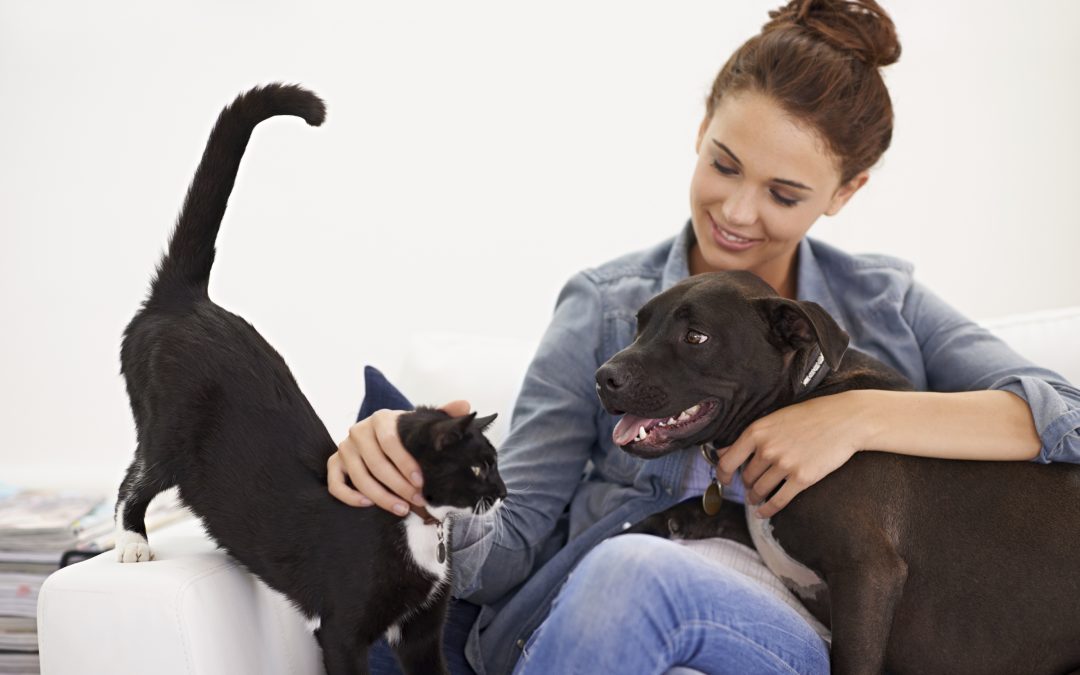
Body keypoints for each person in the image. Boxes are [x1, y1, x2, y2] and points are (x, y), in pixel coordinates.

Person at [328, 1, 1080, 673]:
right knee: (632, 572)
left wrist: (854, 415)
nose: (738, 212)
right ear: (701, 130)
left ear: (846, 192)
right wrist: (428, 485)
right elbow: (512, 544)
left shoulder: (885, 304)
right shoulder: (602, 307)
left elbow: (1068, 416)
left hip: (816, 639)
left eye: (785, 194)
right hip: (630, 608)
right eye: (724, 164)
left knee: (637, 576)